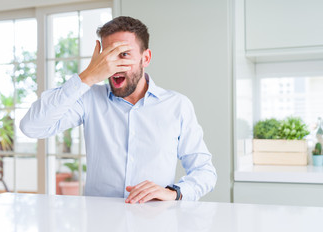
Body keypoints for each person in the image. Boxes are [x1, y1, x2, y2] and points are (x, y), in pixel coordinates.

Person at [20, 16, 217, 203]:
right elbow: (31, 127)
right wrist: (88, 75)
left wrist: (174, 193)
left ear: (145, 58)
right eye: (107, 56)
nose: (114, 66)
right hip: (100, 226)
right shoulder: (88, 100)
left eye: (124, 55)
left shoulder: (177, 106)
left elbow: (204, 172)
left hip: (156, 224)